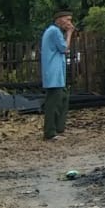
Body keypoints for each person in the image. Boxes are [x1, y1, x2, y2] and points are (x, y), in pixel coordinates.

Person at [40, 10, 74, 141]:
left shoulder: (54, 31)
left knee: (63, 97)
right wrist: (69, 34)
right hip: (53, 72)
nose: (69, 23)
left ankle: (58, 128)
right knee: (53, 102)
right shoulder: (54, 31)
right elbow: (65, 48)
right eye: (67, 20)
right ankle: (50, 132)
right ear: (59, 20)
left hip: (57, 72)